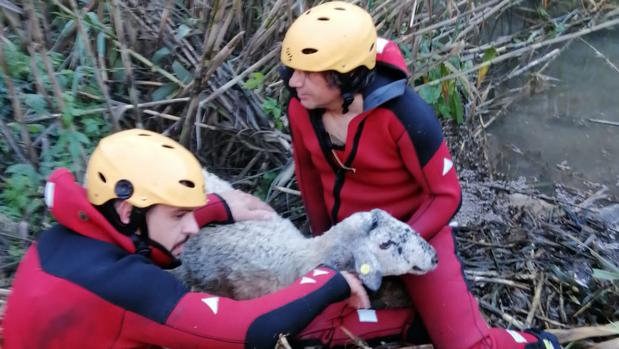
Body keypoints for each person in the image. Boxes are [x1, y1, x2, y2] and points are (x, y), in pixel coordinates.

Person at [279, 2, 563, 349]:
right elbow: (309, 177)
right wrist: (323, 244)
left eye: (308, 72)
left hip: (414, 232)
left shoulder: (404, 115)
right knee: (306, 329)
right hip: (347, 236)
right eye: (293, 69)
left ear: (345, 74)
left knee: (465, 346)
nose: (295, 81)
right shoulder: (301, 107)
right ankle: (411, 326)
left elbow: (446, 195)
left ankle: (534, 343)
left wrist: (397, 247)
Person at [2, 128, 370, 348]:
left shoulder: (56, 242)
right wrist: (330, 280)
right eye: (180, 215)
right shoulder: (121, 284)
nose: (193, 228)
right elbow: (252, 331)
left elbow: (144, 236)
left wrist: (214, 208)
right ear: (129, 211)